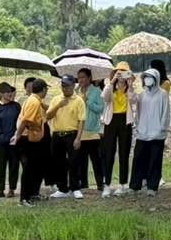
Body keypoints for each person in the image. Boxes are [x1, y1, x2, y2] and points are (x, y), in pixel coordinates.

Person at [129, 69, 170, 194]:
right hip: (143, 133)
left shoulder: (163, 94)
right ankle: (135, 185)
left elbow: (166, 112)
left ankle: (152, 186)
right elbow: (136, 108)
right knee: (138, 159)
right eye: (145, 77)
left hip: (157, 133)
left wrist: (162, 127)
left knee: (155, 160)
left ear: (156, 79)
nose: (148, 79)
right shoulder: (142, 95)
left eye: (150, 77)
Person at [46, 74, 86, 199]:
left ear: (73, 86)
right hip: (57, 134)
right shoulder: (56, 99)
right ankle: (62, 188)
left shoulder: (78, 100)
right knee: (58, 162)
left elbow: (81, 120)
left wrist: (78, 138)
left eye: (67, 86)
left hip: (72, 134)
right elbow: (48, 116)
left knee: (73, 161)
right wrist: (59, 105)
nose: (65, 88)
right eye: (63, 86)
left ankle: (75, 187)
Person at [99, 64, 137, 197]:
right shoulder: (110, 86)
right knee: (108, 153)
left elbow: (134, 100)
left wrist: (131, 85)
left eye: (125, 72)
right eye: (119, 72)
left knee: (124, 153)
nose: (121, 75)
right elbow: (104, 97)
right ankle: (107, 185)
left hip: (125, 121)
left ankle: (122, 184)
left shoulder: (129, 88)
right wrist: (112, 81)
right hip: (111, 121)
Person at [13, 78, 49, 205]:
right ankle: (24, 198)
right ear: (43, 89)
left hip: (31, 138)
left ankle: (32, 194)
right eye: (46, 89)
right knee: (28, 169)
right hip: (27, 139)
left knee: (34, 168)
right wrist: (18, 135)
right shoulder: (33, 102)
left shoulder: (35, 101)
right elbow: (25, 121)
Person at [76, 68, 106, 196]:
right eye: (79, 77)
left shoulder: (97, 91)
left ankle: (100, 183)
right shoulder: (76, 92)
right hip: (79, 131)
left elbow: (101, 108)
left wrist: (87, 102)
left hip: (93, 130)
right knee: (81, 160)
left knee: (96, 159)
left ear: (89, 78)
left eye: (83, 77)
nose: (81, 80)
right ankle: (83, 184)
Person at [0, 82, 22, 198]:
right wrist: (2, 139)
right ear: (0, 94)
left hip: (15, 141)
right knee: (1, 165)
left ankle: (12, 189)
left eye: (10, 92)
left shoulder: (16, 106)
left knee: (14, 165)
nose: (10, 94)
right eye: (7, 92)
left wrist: (16, 136)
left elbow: (20, 122)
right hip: (1, 143)